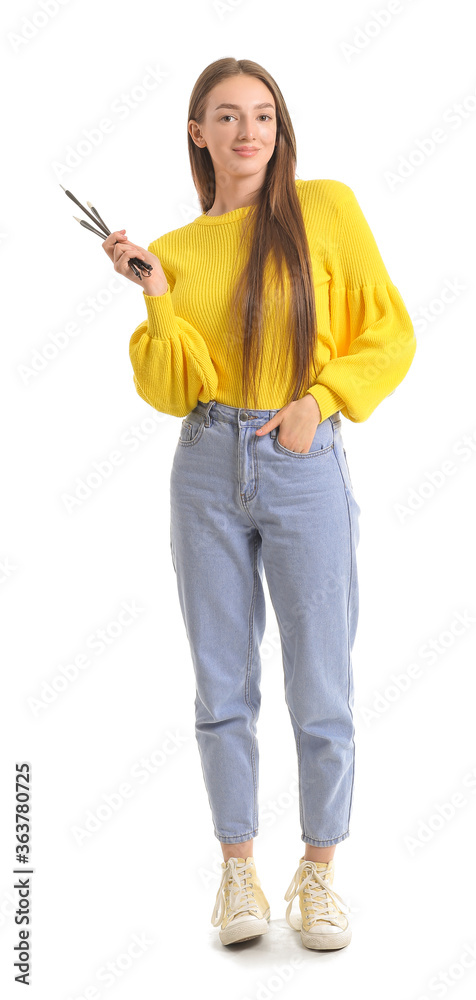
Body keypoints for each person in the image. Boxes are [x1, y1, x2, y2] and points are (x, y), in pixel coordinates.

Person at [102, 57, 416, 951]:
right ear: (196, 133)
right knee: (220, 680)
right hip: (204, 461)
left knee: (320, 682)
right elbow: (169, 389)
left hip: (301, 454)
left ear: (280, 130)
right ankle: (236, 871)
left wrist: (319, 402)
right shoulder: (178, 249)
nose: (248, 133)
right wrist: (158, 299)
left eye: (264, 116)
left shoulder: (325, 207)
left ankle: (318, 873)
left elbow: (389, 332)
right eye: (227, 117)